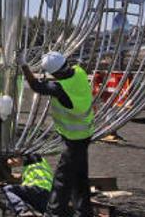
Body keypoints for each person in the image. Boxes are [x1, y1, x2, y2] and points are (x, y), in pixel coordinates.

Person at [20, 52, 93, 217]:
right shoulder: (79, 72)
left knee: (62, 179)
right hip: (85, 133)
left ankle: (54, 213)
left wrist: (24, 66)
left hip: (74, 139)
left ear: (56, 73)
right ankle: (84, 212)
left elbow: (36, 86)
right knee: (79, 176)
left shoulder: (60, 88)